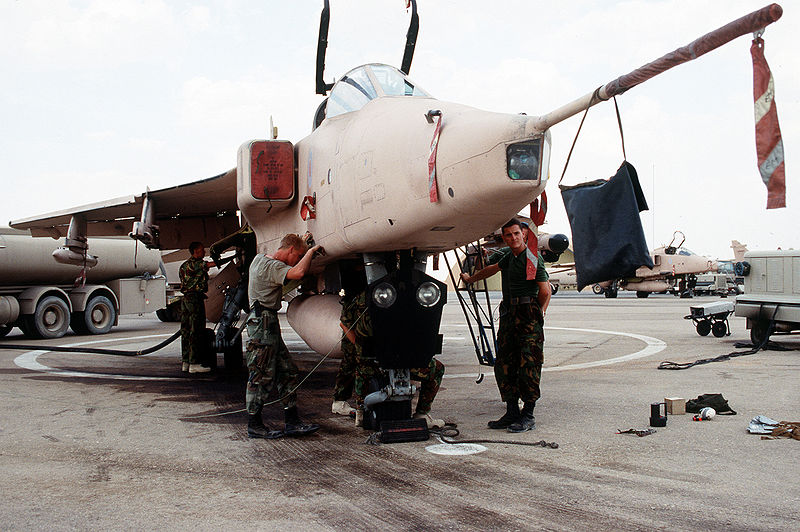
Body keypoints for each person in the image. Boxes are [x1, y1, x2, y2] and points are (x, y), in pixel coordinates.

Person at [461, 219, 551, 433]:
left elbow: (545, 291)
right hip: (509, 314)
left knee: (528, 363)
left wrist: (537, 313)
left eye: (516, 234)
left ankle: (528, 414)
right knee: (505, 363)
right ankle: (511, 411)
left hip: (527, 313)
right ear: (504, 238)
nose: (513, 238)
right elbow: (490, 269)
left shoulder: (532, 258)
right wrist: (471, 279)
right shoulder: (509, 258)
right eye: (508, 235)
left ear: (523, 234)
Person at [245, 233, 323, 439]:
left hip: (266, 321)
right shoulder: (272, 267)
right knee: (261, 374)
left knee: (287, 371)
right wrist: (312, 252)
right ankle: (254, 424)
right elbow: (297, 273)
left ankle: (292, 422)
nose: (297, 260)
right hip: (263, 323)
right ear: (289, 251)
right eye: (297, 256)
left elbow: (291, 265)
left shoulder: (260, 260)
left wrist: (302, 245)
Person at [343, 287, 445, 429]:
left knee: (362, 368)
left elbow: (344, 323)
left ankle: (361, 412)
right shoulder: (408, 293)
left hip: (372, 365)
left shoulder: (361, 296)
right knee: (437, 369)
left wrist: (359, 346)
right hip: (403, 360)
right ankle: (422, 413)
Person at [179, 241, 215, 374]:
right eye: (201, 251)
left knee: (186, 331)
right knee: (196, 331)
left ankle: (186, 362)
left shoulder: (183, 266)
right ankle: (195, 363)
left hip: (186, 300)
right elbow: (211, 264)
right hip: (195, 299)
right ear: (194, 252)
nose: (204, 253)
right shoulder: (196, 264)